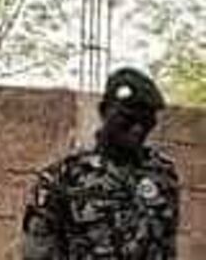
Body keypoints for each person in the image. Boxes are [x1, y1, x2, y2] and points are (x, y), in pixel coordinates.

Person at [22, 67, 180, 259]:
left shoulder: (162, 174)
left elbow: (167, 246)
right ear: (104, 111)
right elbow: (38, 252)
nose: (138, 128)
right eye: (127, 118)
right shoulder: (62, 177)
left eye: (147, 121)